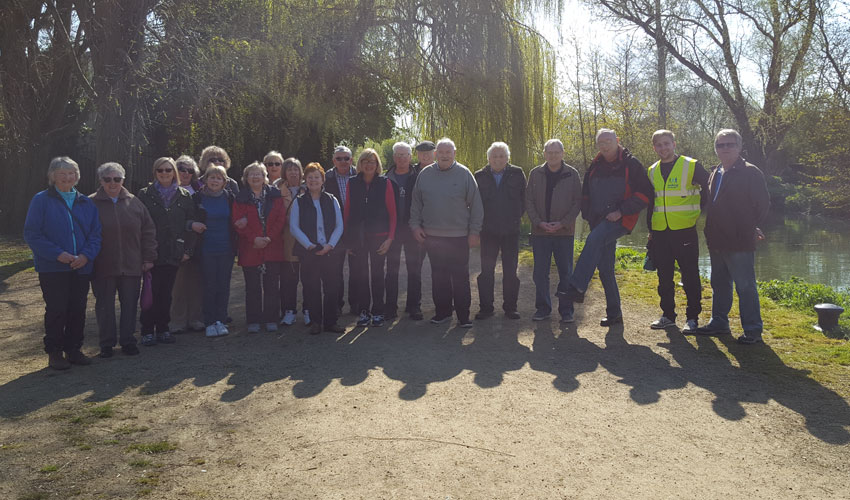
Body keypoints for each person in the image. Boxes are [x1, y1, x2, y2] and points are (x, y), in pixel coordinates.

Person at [562, 129, 653, 326]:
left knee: (593, 240)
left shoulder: (632, 164)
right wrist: (588, 215)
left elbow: (646, 194)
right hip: (599, 220)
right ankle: (615, 314)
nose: (604, 145)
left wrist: (621, 211)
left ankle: (577, 287)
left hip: (622, 219)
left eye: (608, 141)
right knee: (605, 269)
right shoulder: (595, 165)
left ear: (617, 140)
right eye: (601, 142)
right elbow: (586, 194)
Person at [24, 157, 102, 370]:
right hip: (53, 267)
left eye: (71, 173)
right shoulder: (41, 200)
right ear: (52, 176)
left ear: (77, 176)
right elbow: (32, 234)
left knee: (77, 309)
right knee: (57, 309)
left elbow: (96, 235)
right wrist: (58, 254)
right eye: (62, 173)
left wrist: (86, 256)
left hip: (81, 266)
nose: (67, 177)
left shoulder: (86, 202)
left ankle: (74, 349)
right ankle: (55, 352)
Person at [696, 129, 771, 345]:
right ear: (716, 149)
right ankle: (719, 322)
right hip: (716, 239)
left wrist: (750, 227)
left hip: (739, 240)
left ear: (739, 147)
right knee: (719, 283)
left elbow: (763, 205)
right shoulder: (715, 172)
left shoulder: (751, 172)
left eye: (730, 144)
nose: (725, 148)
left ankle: (752, 330)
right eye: (721, 145)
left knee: (745, 286)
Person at [410, 137, 483, 327]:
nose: (444, 156)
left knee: (460, 277)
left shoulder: (464, 174)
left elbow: (476, 205)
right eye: (441, 153)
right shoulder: (425, 174)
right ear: (435, 154)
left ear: (454, 154)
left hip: (459, 237)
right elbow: (416, 203)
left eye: (448, 152)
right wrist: (415, 226)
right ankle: (442, 312)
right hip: (433, 237)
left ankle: (463, 316)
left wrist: (474, 231)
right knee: (439, 276)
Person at [645, 130, 710, 333]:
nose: (663, 148)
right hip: (660, 231)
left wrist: (701, 212)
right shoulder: (652, 170)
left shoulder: (691, 165)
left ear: (674, 144)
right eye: (659, 145)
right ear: (654, 147)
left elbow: (709, 188)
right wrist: (650, 230)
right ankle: (668, 315)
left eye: (666, 143)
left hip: (684, 230)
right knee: (664, 276)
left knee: (690, 274)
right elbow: (651, 202)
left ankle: (692, 318)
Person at [90, 162, 156, 358]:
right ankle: (106, 344)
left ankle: (128, 341)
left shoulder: (135, 202)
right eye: (107, 179)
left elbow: (149, 231)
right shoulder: (89, 203)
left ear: (123, 180)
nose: (112, 183)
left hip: (132, 264)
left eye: (117, 179)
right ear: (101, 181)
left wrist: (149, 257)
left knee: (129, 305)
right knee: (104, 306)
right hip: (103, 265)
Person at [137, 157, 201, 345]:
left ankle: (163, 329)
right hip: (152, 252)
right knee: (150, 292)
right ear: (155, 173)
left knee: (166, 294)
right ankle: (147, 330)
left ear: (173, 172)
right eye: (160, 170)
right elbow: (139, 225)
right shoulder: (144, 194)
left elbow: (190, 225)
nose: (164, 174)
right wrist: (144, 253)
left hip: (174, 252)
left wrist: (187, 250)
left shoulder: (184, 195)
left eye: (168, 170)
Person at [526, 139, 582, 323]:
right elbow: (529, 202)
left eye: (556, 152)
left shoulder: (572, 174)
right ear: (544, 154)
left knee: (566, 272)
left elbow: (577, 203)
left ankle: (566, 310)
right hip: (540, 232)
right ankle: (543, 308)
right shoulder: (535, 173)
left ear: (562, 153)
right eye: (549, 152)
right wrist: (539, 222)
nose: (553, 156)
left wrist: (563, 223)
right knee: (540, 273)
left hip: (564, 233)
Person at [290, 162, 346, 335]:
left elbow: (339, 225)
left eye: (316, 177)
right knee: (311, 287)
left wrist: (330, 245)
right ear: (305, 180)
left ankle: (331, 322)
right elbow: (294, 227)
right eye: (309, 177)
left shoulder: (332, 199)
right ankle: (316, 322)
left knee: (332, 288)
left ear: (322, 179)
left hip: (330, 251)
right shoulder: (299, 202)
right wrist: (309, 245)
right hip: (309, 252)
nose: (313, 180)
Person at [344, 148, 397, 327]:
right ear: (360, 164)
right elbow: (348, 211)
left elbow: (393, 214)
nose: (368, 165)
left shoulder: (385, 183)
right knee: (360, 275)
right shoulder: (352, 183)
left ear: (377, 165)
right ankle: (364, 311)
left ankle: (378, 311)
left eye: (372, 162)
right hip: (358, 237)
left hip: (379, 237)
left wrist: (390, 238)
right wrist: (348, 240)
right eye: (365, 161)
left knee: (377, 274)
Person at [232, 162, 287, 333]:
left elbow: (280, 218)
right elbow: (237, 222)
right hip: (250, 248)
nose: (255, 177)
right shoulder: (240, 198)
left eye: (259, 174)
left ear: (265, 177)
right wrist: (253, 238)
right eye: (251, 174)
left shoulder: (275, 195)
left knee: (271, 285)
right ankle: (253, 320)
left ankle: (271, 318)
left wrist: (269, 237)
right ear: (246, 178)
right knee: (252, 286)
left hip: (272, 246)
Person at [474, 142, 527, 320]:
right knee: (486, 271)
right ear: (488, 158)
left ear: (507, 158)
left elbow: (524, 200)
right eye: (494, 156)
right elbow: (474, 204)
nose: (498, 159)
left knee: (510, 271)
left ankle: (510, 307)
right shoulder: (479, 176)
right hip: (487, 231)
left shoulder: (517, 174)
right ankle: (486, 308)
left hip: (510, 231)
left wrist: (515, 218)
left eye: (501, 156)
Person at [193, 164, 237, 337]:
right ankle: (209, 321)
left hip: (226, 248)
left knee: (223, 285)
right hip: (206, 248)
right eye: (212, 177)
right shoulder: (197, 198)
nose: (215, 181)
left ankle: (220, 319)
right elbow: (188, 218)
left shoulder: (229, 197)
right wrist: (191, 225)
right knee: (209, 285)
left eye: (219, 178)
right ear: (206, 179)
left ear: (224, 182)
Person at [384, 142, 424, 320]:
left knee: (414, 269)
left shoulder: (419, 176)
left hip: (412, 228)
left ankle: (414, 306)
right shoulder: (385, 177)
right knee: (392, 270)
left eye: (405, 154)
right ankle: (390, 307)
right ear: (394, 158)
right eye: (398, 155)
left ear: (410, 157)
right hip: (392, 230)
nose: (401, 158)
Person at [171, 155, 205, 333]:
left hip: (198, 244)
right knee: (178, 285)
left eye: (189, 170)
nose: (185, 173)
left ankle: (195, 318)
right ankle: (178, 320)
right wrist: (189, 225)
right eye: (181, 169)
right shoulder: (168, 191)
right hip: (177, 244)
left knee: (195, 283)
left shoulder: (199, 191)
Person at [324, 145, 358, 314]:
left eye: (346, 158)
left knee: (356, 270)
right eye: (339, 158)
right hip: (334, 231)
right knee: (334, 271)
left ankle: (356, 304)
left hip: (354, 230)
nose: (343, 161)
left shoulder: (359, 175)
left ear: (352, 160)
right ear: (333, 161)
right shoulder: (326, 178)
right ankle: (336, 305)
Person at [275, 158, 308, 327]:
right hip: (287, 239)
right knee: (289, 278)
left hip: (307, 239)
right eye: (290, 170)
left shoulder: (309, 187)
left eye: (296, 169)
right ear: (284, 173)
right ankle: (289, 311)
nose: (293, 173)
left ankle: (309, 310)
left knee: (309, 278)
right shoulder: (277, 190)